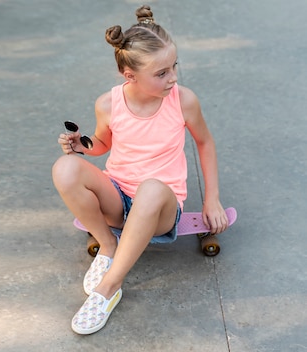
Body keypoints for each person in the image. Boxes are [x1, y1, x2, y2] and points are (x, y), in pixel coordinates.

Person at [52, 5, 229, 335]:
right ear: (129, 76)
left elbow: (205, 143)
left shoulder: (183, 100)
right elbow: (103, 144)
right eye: (161, 73)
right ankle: (108, 245)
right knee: (65, 168)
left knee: (150, 187)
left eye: (174, 66)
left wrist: (212, 199)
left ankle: (108, 288)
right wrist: (81, 147)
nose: (173, 77)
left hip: (160, 206)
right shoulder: (109, 103)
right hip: (118, 197)